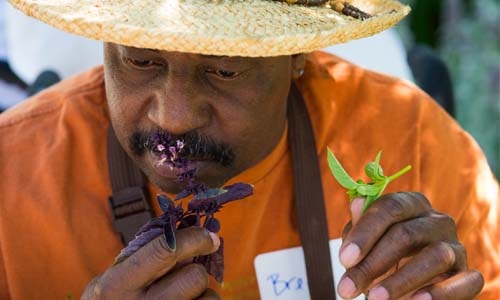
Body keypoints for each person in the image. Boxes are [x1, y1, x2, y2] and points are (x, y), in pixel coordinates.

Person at [0, 1, 498, 300]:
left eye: (225, 71)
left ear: (298, 55)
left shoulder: (409, 138)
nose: (173, 115)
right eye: (141, 60)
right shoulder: (13, 172)